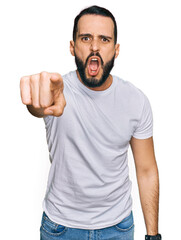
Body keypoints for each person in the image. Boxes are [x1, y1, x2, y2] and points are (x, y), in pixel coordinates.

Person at [20, 5, 161, 240]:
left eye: (104, 39)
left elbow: (146, 170)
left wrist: (153, 235)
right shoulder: (56, 91)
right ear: (72, 46)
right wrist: (36, 102)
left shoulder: (136, 101)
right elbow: (40, 106)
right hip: (60, 228)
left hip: (118, 227)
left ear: (116, 50)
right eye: (86, 38)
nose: (94, 47)